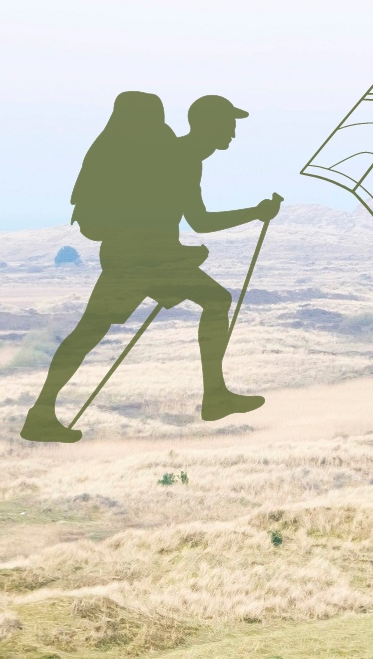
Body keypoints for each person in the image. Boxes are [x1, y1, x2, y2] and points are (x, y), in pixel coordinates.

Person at [23, 93, 283, 443]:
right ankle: (215, 397)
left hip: (136, 258)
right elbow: (194, 221)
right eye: (228, 124)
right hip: (141, 261)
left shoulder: (180, 155)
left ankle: (41, 414)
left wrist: (181, 254)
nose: (233, 133)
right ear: (208, 125)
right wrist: (253, 214)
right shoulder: (181, 157)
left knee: (92, 331)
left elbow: (180, 219)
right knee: (94, 330)